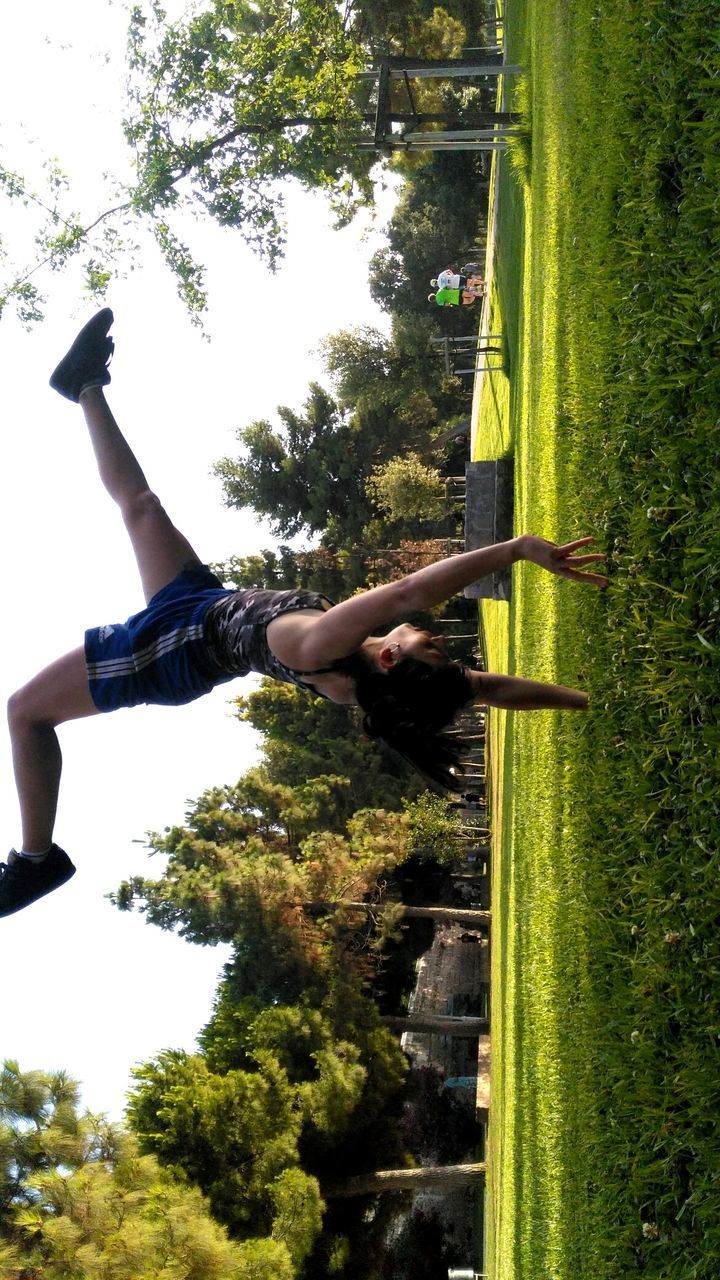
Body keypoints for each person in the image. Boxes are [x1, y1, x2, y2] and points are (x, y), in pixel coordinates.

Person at [0, 309, 607, 918]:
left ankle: (35, 861)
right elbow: (491, 687)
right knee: (142, 505)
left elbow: (404, 596)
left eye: (430, 646)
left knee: (25, 713)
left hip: (175, 648)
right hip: (201, 608)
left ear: (392, 656)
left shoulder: (326, 648)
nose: (432, 636)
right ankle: (83, 384)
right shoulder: (367, 683)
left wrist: (516, 548)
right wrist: (584, 701)